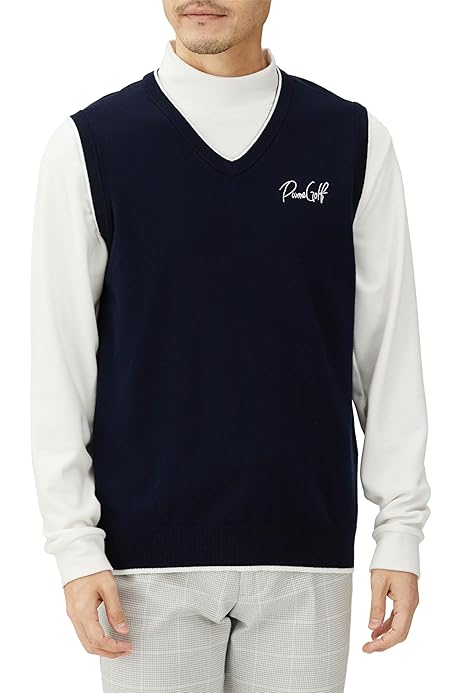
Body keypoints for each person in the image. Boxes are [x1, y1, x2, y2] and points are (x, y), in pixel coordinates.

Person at [30, 1, 431, 691]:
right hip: (142, 567)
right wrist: (73, 543)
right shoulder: (91, 144)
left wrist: (401, 530)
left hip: (305, 558)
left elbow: (387, 346)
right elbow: (59, 363)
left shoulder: (352, 139)